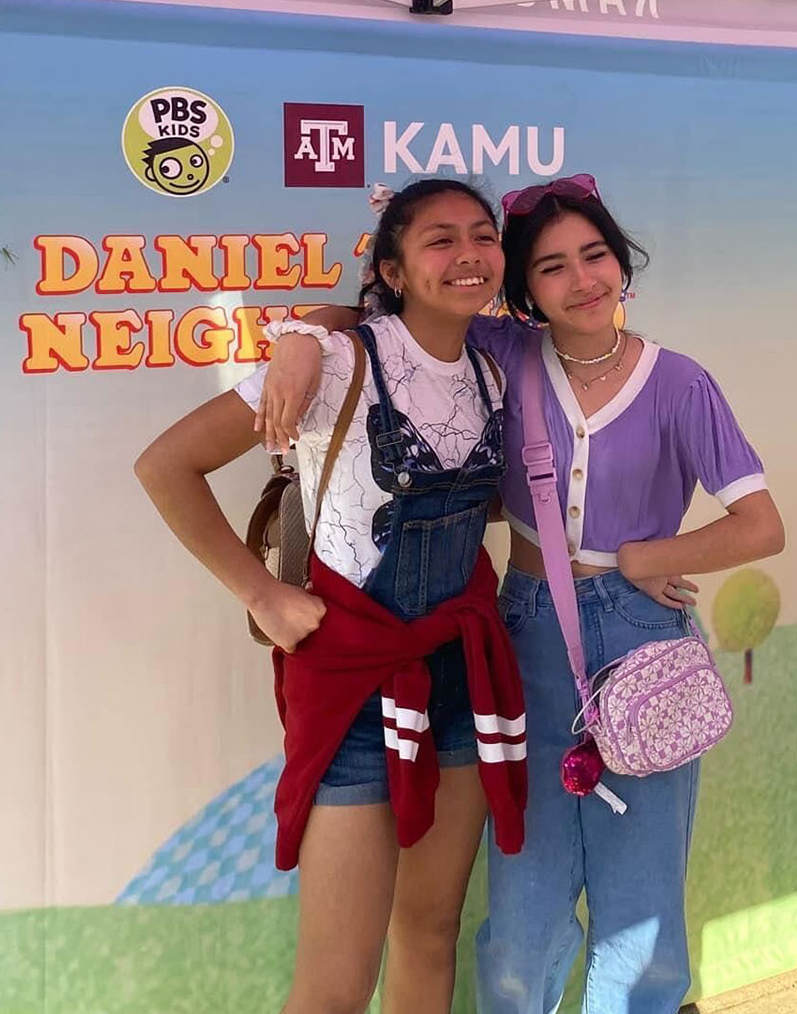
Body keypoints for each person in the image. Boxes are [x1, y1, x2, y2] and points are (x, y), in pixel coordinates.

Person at [258, 173, 785, 1013]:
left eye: (596, 256)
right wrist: (296, 334)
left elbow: (759, 525)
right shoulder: (500, 353)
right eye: (552, 267)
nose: (582, 281)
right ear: (524, 290)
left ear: (624, 265)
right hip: (523, 635)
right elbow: (371, 321)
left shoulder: (680, 380)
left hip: (647, 640)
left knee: (642, 902)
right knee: (525, 899)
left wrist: (650, 556)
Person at [135, 178, 528, 1014]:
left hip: (457, 679)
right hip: (351, 687)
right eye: (439, 238)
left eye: (482, 235)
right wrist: (262, 597)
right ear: (392, 266)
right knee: (335, 982)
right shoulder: (342, 360)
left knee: (429, 931)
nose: (467, 254)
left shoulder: (496, 370)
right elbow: (165, 466)